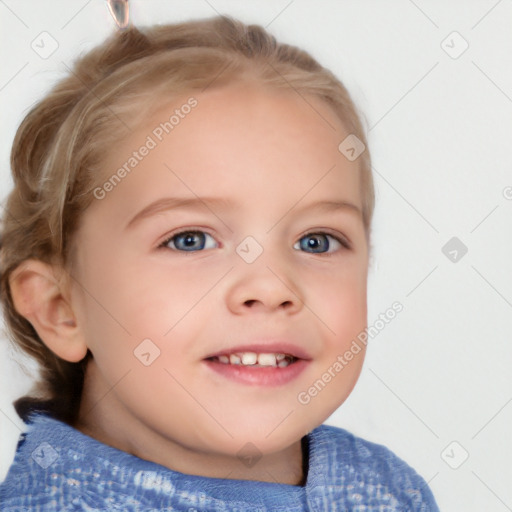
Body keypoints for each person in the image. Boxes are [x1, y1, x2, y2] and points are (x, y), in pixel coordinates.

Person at [0, 15, 439, 511]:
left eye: (317, 241)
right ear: (62, 308)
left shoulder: (387, 490)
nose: (272, 286)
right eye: (190, 240)